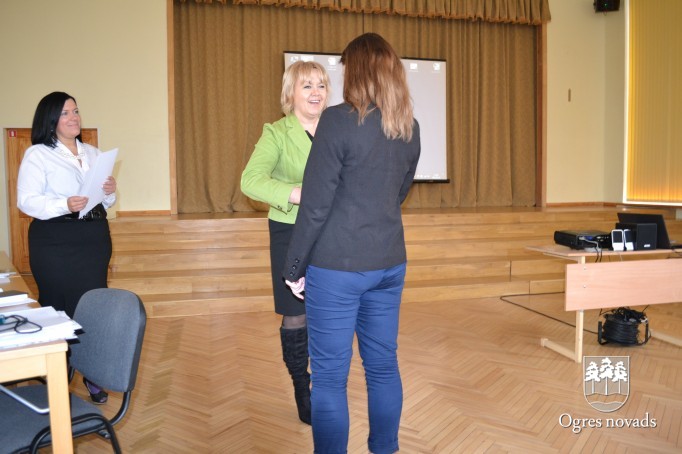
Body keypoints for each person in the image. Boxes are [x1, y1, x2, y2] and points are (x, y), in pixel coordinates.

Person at [282, 33, 421, 454]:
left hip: (337, 269)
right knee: (383, 368)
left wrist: (293, 268)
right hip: (389, 263)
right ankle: (385, 448)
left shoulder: (337, 120)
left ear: (356, 71)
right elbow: (399, 192)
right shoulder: (409, 126)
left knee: (328, 379)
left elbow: (315, 205)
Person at [241, 60, 330, 425]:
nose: (316, 92)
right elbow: (250, 181)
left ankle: (326, 385)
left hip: (332, 233)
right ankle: (300, 385)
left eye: (321, 85)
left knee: (329, 311)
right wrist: (296, 193)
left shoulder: (337, 128)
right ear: (290, 93)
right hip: (291, 232)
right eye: (307, 85)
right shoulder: (276, 133)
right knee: (296, 315)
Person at [17, 91, 117, 404]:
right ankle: (57, 375)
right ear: (50, 120)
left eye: (75, 111)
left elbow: (105, 200)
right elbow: (26, 201)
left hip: (94, 237)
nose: (74, 117)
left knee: (92, 305)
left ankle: (93, 372)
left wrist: (110, 191)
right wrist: (64, 204)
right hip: (55, 240)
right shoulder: (38, 154)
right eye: (65, 113)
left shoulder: (93, 152)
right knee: (59, 305)